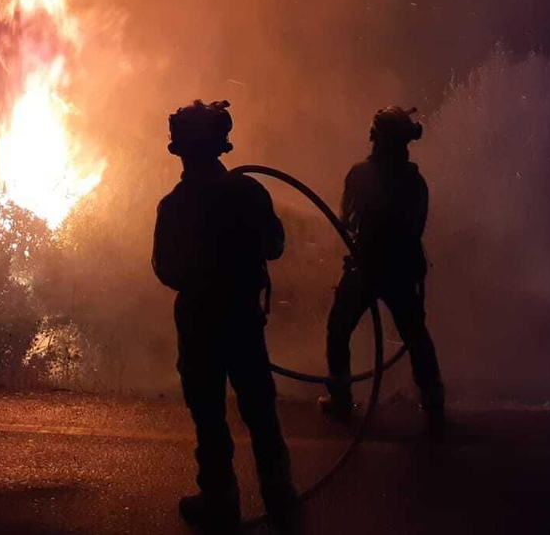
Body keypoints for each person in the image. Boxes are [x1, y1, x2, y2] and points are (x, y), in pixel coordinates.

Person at [153, 100, 297, 532]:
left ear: (181, 149)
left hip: (199, 324)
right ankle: (280, 496)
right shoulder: (249, 192)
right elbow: (274, 245)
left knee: (210, 415)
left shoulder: (174, 205)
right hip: (242, 320)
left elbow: (166, 270)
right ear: (220, 144)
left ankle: (220, 499)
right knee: (260, 412)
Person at [319, 107, 445, 438]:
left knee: (338, 329)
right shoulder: (414, 180)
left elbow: (346, 221)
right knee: (415, 336)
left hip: (367, 268)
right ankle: (434, 404)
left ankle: (342, 400)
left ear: (376, 137)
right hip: (402, 269)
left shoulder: (360, 174)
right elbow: (416, 226)